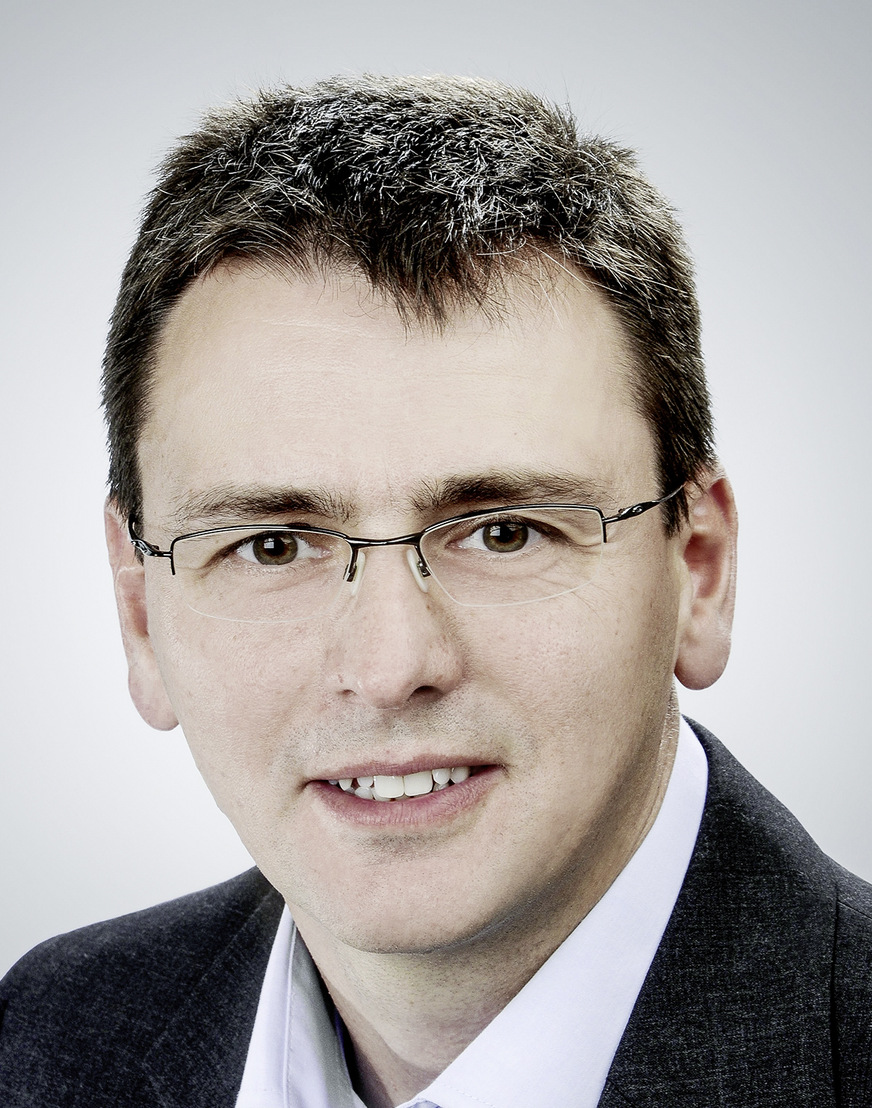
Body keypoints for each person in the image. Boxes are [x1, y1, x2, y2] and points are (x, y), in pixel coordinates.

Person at [1, 75, 869, 1107]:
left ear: (698, 571)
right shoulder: (45, 1041)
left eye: (505, 533)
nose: (389, 666)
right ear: (141, 611)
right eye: (272, 546)